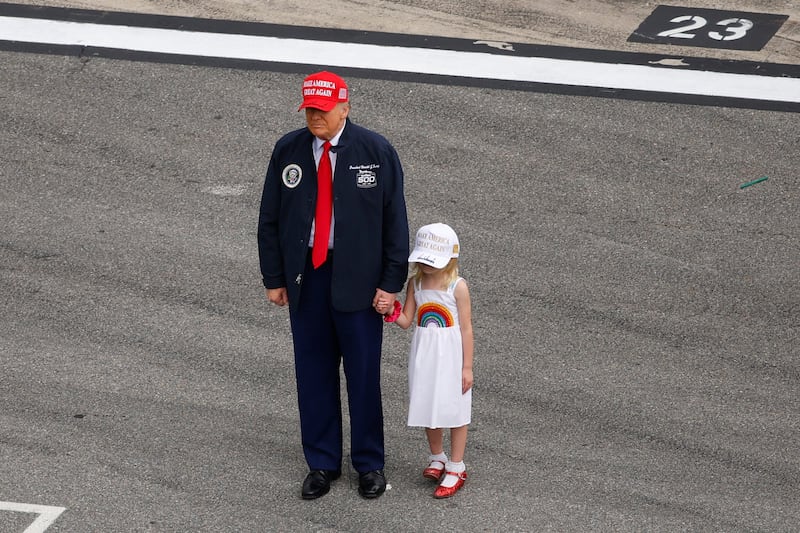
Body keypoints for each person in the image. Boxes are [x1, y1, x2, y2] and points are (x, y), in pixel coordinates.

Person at [257, 71, 409, 500]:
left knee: (363, 376)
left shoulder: (376, 151)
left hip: (360, 282)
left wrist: (390, 282)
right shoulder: (288, 149)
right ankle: (322, 464)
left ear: (345, 107)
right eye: (309, 110)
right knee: (313, 374)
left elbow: (395, 222)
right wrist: (274, 278)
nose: (315, 118)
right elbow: (269, 219)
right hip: (307, 277)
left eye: (322, 110)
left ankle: (369, 464)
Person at [379, 223, 474, 498]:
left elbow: (466, 328)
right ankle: (438, 456)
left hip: (452, 355)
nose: (426, 265)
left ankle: (457, 465)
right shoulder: (416, 283)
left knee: (455, 410)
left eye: (432, 260)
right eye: (422, 259)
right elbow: (408, 320)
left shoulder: (458, 287)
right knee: (428, 405)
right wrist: (390, 311)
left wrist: (467, 367)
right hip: (425, 355)